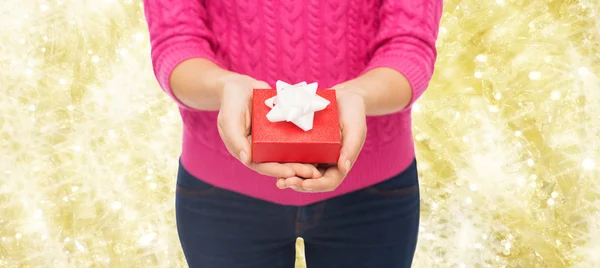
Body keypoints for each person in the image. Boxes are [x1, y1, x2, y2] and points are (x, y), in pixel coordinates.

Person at [143, 1, 442, 267]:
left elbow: (410, 45)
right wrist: (224, 87)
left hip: (373, 192)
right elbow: (175, 42)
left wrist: (359, 95)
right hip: (221, 193)